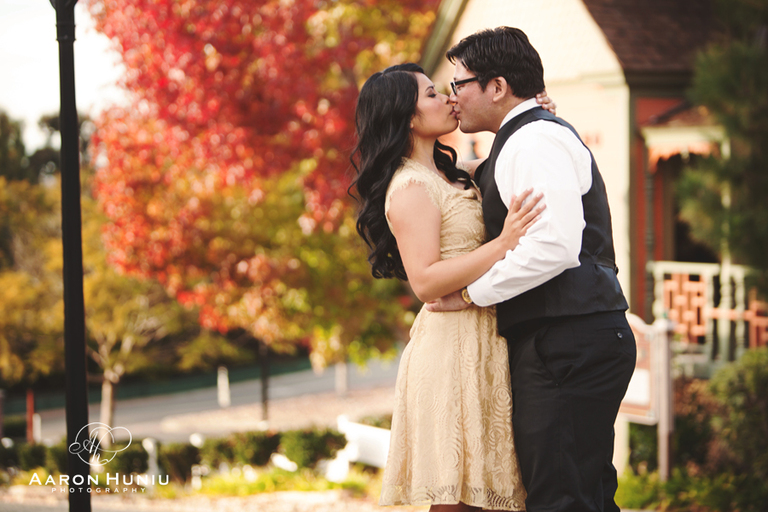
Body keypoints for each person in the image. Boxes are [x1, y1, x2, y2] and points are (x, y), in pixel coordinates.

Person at [426, 27, 637, 512]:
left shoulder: (534, 141)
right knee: (580, 494)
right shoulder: (523, 140)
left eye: (459, 84)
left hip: (567, 342)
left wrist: (471, 294)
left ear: (498, 87)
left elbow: (554, 247)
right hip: (568, 339)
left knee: (562, 498)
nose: (453, 97)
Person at [350, 63, 554, 511]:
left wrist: (531, 116)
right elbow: (424, 280)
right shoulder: (409, 187)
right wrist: (502, 244)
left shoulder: (451, 173)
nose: (448, 98)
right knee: (457, 498)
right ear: (406, 117)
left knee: (486, 495)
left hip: (483, 339)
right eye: (431, 94)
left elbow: (510, 160)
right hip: (450, 350)